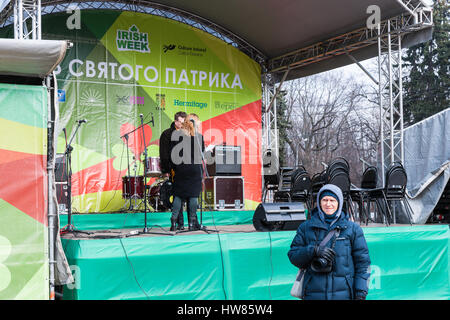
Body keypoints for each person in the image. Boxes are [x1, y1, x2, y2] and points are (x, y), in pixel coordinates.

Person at [288, 184, 371, 300]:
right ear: (319, 202)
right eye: (324, 200)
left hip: (344, 294)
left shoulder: (353, 229)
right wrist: (313, 250)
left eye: (332, 200)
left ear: (339, 203)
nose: (328, 204)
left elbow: (363, 264)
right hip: (313, 294)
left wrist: (360, 293)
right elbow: (293, 256)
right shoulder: (306, 227)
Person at [169, 116, 204, 231]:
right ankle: (192, 223)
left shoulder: (176, 137)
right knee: (193, 195)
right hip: (194, 170)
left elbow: (172, 156)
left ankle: (174, 222)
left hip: (181, 169)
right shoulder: (199, 137)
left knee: (178, 195)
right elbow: (201, 153)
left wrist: (175, 168)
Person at [159, 111, 187, 230]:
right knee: (178, 195)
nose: (183, 124)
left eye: (184, 122)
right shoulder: (167, 134)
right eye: (181, 122)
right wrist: (166, 169)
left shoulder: (187, 133)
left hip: (186, 168)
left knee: (188, 195)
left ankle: (190, 222)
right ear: (175, 121)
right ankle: (178, 222)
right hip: (174, 169)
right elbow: (164, 154)